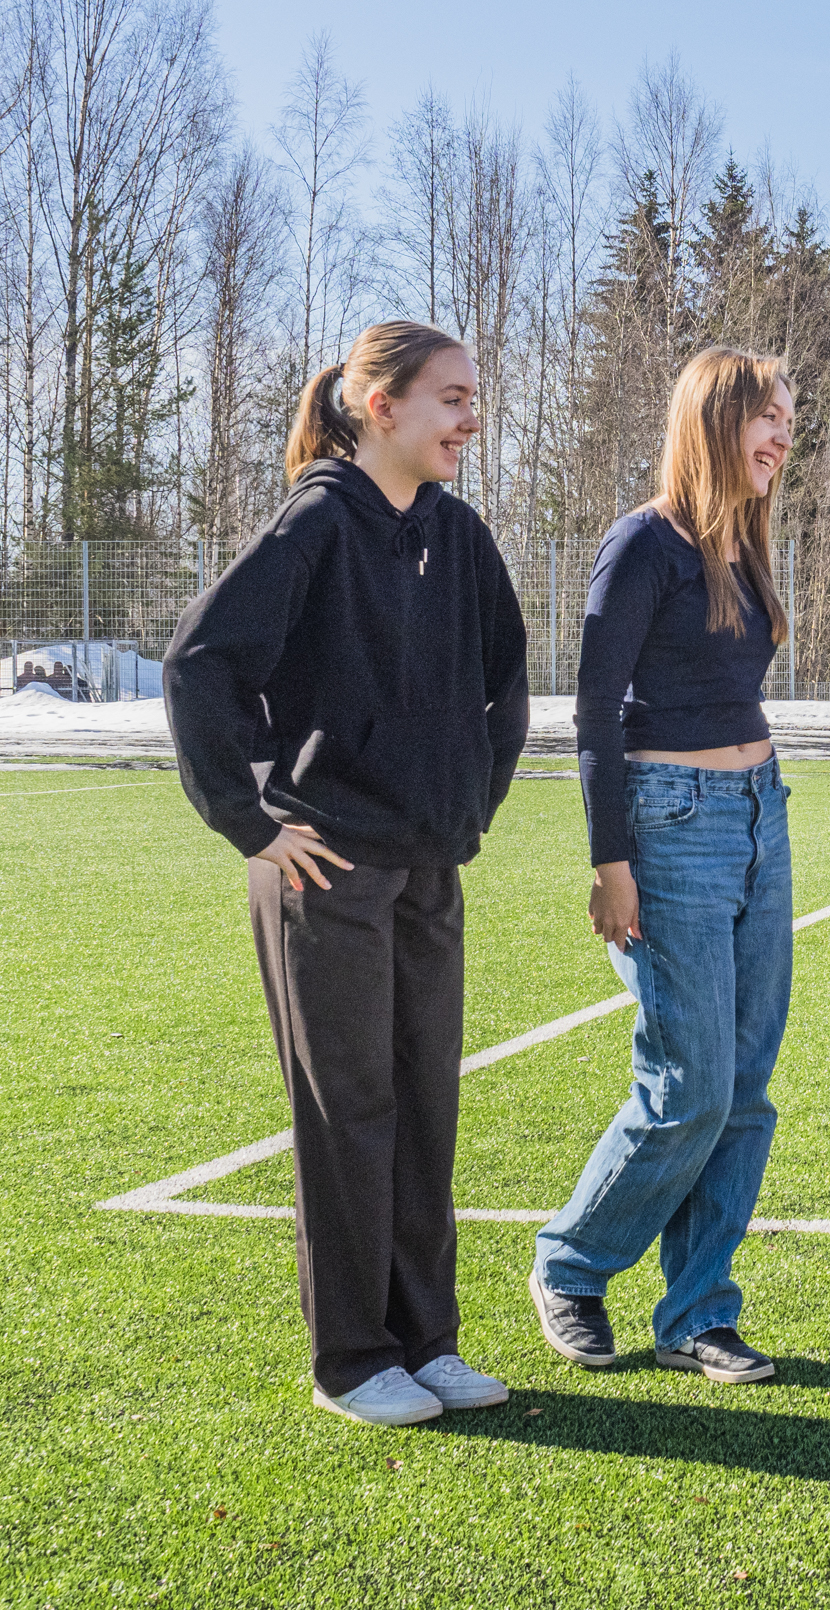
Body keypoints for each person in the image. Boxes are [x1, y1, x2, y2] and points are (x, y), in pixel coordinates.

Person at [165, 322, 528, 1428]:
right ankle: (352, 1360)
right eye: (451, 399)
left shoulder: (460, 537)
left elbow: (503, 690)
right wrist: (254, 820)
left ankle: (429, 1342)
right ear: (382, 407)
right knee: (348, 1112)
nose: (471, 418)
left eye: (474, 399)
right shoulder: (318, 520)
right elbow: (200, 666)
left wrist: (465, 806)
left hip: (427, 867)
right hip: (324, 871)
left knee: (424, 1107)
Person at [530, 348, 796, 1386]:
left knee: (745, 1087)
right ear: (714, 421)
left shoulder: (747, 542)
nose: (780, 438)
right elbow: (594, 713)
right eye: (766, 418)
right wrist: (611, 862)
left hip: (759, 815)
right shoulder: (640, 544)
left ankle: (697, 1312)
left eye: (787, 422)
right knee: (689, 1083)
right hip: (668, 822)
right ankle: (572, 1262)